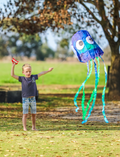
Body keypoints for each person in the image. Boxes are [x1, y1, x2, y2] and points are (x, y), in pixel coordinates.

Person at [11, 62, 53, 131]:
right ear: (23, 72)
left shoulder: (33, 77)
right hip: (25, 99)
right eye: (26, 71)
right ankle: (25, 128)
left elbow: (41, 73)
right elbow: (12, 75)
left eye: (29, 71)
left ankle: (33, 127)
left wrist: (48, 70)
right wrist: (13, 66)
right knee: (25, 114)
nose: (28, 73)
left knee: (34, 114)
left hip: (33, 99)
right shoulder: (22, 79)